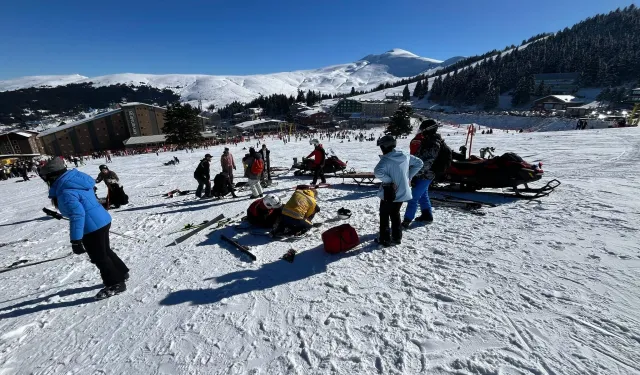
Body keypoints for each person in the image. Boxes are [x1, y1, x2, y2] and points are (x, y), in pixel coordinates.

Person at [39, 157, 129, 300]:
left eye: (46, 178)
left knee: (99, 257)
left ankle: (115, 283)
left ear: (52, 176)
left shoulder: (65, 191)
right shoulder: (74, 180)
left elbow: (77, 215)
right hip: (102, 219)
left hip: (91, 227)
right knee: (105, 251)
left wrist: (76, 240)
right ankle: (121, 272)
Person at [374, 135, 423, 246]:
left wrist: (389, 181)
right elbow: (419, 163)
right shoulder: (404, 155)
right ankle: (396, 237)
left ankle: (384, 239)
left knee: (384, 214)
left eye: (381, 146)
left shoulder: (386, 159)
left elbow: (377, 172)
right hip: (403, 191)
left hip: (390, 192)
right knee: (395, 213)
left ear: (384, 147)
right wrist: (409, 177)